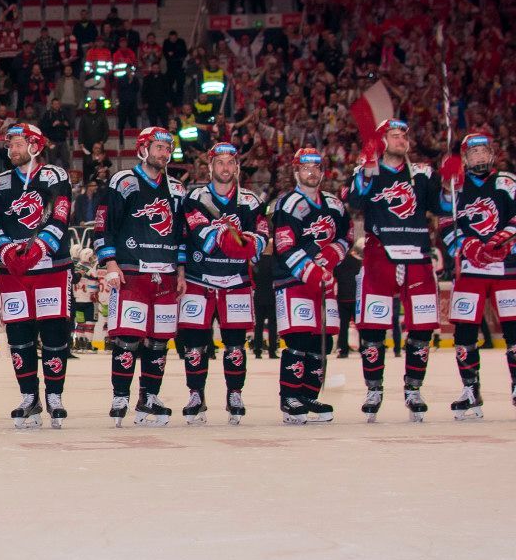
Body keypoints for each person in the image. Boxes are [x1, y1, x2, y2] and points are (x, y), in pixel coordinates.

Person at [350, 119, 444, 420]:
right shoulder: (369, 170)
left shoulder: (423, 173)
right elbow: (354, 203)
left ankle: (413, 388)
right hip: (381, 253)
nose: (402, 139)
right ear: (382, 141)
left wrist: (454, 184)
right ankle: (374, 389)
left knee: (422, 325)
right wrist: (366, 169)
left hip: (417, 254)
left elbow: (441, 208)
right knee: (373, 326)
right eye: (395, 135)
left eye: (405, 135)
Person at [92, 126, 186, 427]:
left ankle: (149, 397)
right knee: (128, 339)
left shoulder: (177, 188)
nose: (164, 153)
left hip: (166, 275)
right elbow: (104, 226)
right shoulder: (124, 181)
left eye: (167, 148)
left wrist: (181, 270)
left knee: (158, 342)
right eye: (158, 147)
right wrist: (110, 264)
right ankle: (120, 395)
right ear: (143, 149)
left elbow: (182, 235)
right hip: (132, 272)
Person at [0, 123, 74, 429]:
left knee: (53, 335)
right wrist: (5, 250)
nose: (12, 149)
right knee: (19, 336)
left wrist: (40, 246)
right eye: (9, 145)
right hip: (14, 271)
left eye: (18, 143)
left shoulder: (55, 176)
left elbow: (61, 213)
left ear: (35, 145)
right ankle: (28, 397)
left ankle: (54, 396)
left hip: (52, 267)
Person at [176, 143, 267, 424]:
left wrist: (248, 243)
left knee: (236, 345)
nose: (225, 168)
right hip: (198, 278)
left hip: (236, 281)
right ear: (210, 166)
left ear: (237, 167)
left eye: (230, 162)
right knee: (194, 345)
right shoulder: (194, 197)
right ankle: (196, 395)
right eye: (220, 162)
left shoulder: (251, 201)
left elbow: (261, 237)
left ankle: (234, 394)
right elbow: (197, 232)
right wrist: (233, 239)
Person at [270, 149, 350, 424]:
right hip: (294, 280)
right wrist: (311, 271)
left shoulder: (335, 205)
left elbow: (347, 235)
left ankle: (309, 394)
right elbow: (283, 245)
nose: (311, 172)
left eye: (316, 167)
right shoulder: (288, 204)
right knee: (298, 339)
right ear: (296, 171)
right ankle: (290, 397)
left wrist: (333, 254)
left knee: (320, 342)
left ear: (323, 172)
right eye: (305, 167)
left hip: (325, 281)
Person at [441, 130, 516, 419]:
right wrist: (465, 246)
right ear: (465, 157)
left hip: (507, 265)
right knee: (464, 330)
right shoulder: (454, 186)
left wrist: (501, 240)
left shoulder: (507, 182)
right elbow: (446, 223)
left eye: (484, 151)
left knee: (513, 327)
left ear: (492, 154)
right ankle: (471, 389)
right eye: (474, 152)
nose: (480, 156)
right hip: (471, 268)